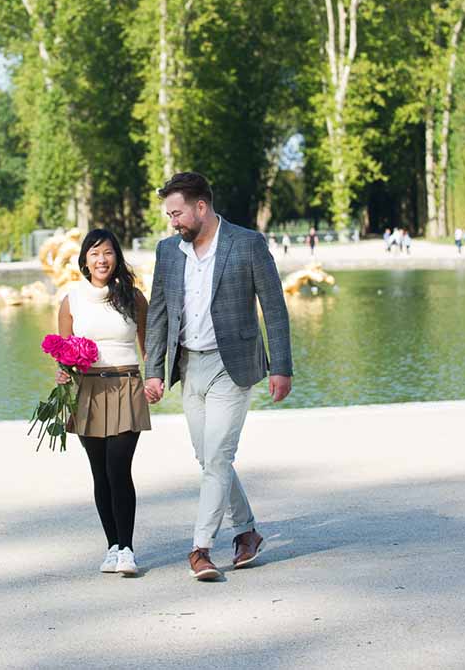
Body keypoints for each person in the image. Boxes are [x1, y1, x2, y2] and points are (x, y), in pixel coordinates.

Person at [143, 171, 293, 581]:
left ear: (201, 207)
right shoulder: (169, 252)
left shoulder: (246, 244)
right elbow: (158, 314)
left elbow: (274, 307)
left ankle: (200, 548)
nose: (173, 221)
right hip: (188, 366)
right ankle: (247, 532)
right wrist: (153, 372)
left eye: (177, 213)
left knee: (218, 458)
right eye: (170, 215)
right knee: (208, 457)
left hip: (233, 365)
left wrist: (281, 366)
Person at [57, 228, 151, 577]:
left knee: (118, 467)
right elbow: (63, 352)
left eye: (108, 253)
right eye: (95, 253)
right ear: (84, 260)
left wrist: (154, 378)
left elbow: (148, 347)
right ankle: (112, 546)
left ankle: (127, 549)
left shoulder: (133, 298)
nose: (102, 260)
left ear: (117, 258)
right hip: (87, 392)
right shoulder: (71, 301)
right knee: (99, 472)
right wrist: (62, 374)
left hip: (126, 386)